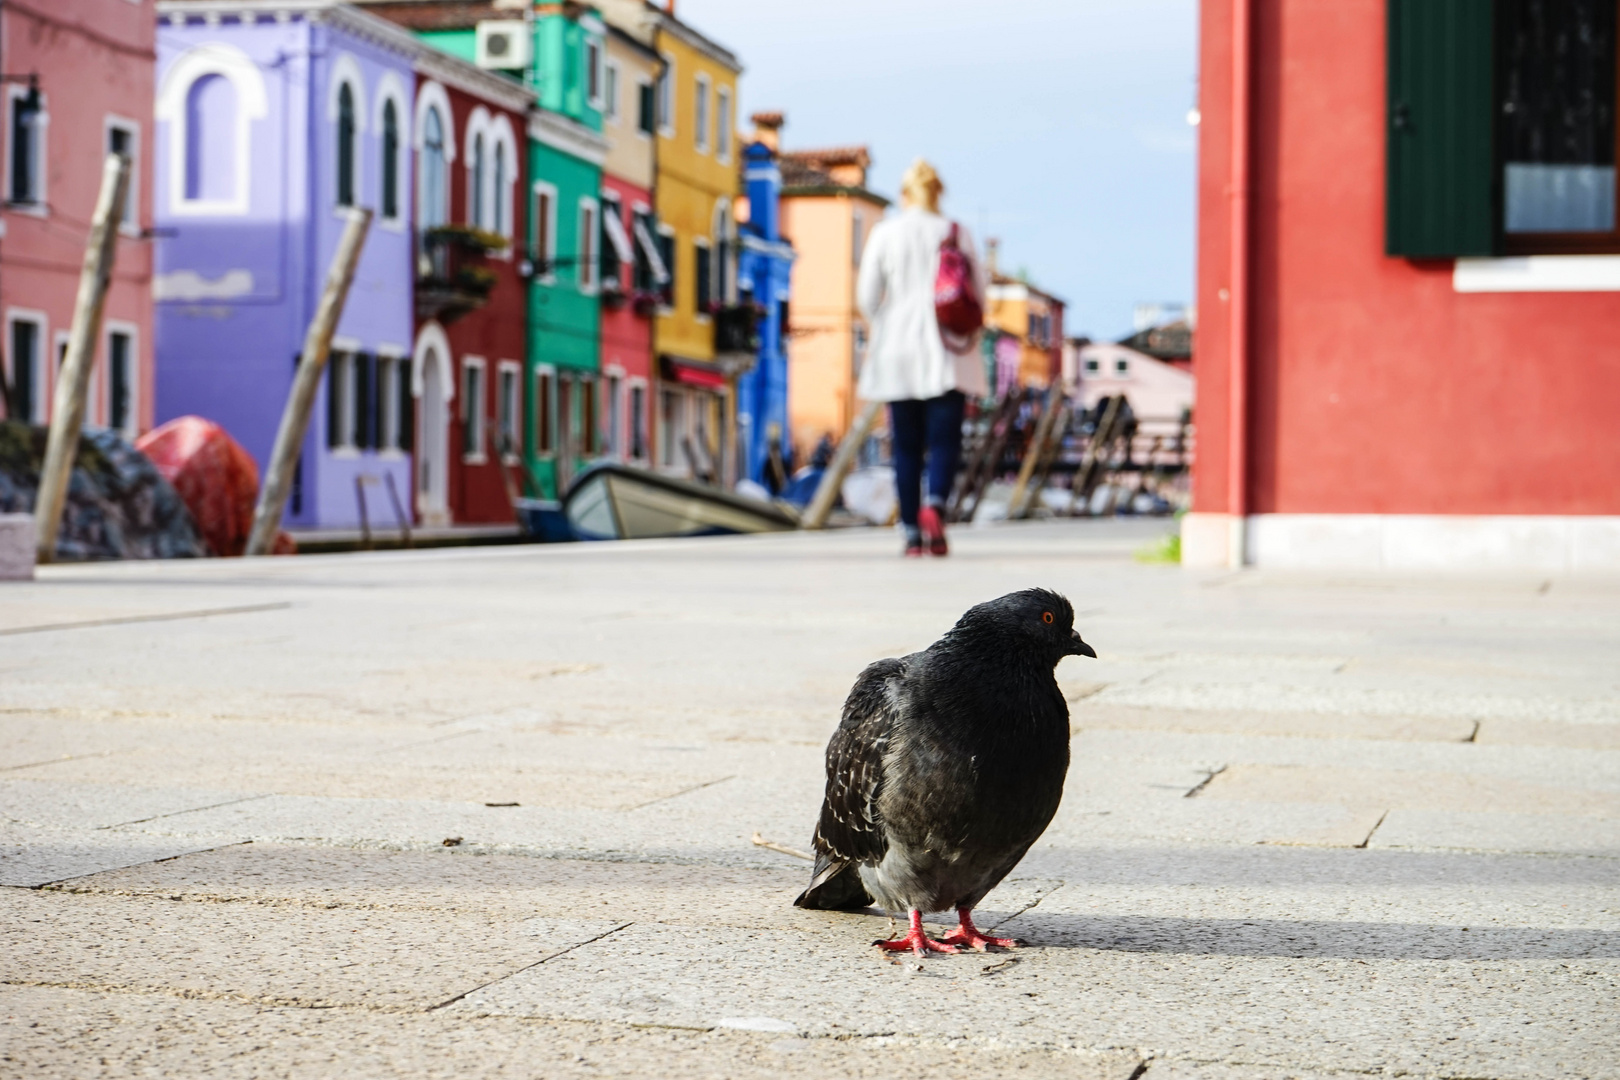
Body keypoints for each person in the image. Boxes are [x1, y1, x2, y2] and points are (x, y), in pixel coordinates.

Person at [856, 159, 987, 556]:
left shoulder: (885, 232)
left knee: (907, 446)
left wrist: (884, 323)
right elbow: (979, 293)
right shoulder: (956, 232)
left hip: (897, 349)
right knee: (945, 440)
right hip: (947, 350)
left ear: (904, 193)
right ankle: (936, 505)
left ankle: (911, 532)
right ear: (937, 192)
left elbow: (866, 295)